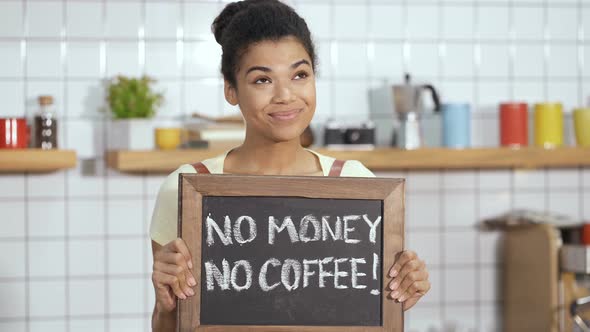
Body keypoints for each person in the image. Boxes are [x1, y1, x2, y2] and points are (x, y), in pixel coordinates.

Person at [149, 0, 430, 330]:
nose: (285, 95)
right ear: (231, 90)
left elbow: (363, 314)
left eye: (300, 74)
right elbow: (170, 322)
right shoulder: (187, 188)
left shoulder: (356, 185)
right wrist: (167, 307)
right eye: (262, 80)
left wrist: (398, 295)